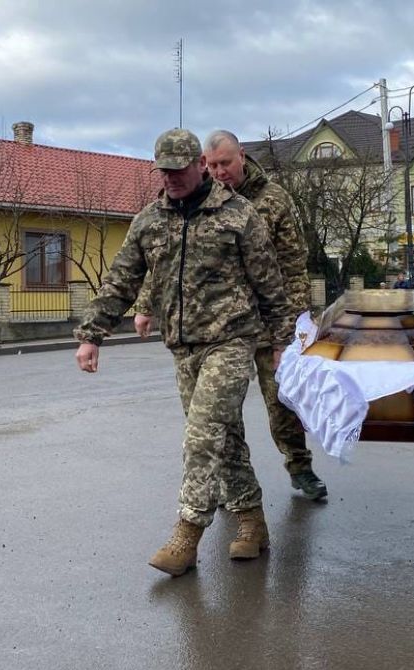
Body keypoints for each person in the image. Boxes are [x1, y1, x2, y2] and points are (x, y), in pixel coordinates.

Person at [74, 128, 292, 577]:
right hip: (182, 347)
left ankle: (187, 532)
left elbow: (270, 281)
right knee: (224, 438)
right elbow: (122, 279)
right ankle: (252, 521)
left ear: (198, 165)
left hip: (231, 342)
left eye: (178, 170)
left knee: (201, 434)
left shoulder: (238, 215)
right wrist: (93, 333)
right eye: (163, 171)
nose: (170, 178)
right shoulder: (149, 221)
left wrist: (283, 341)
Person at [153, 129, 325, 499]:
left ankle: (299, 465)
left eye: (225, 163)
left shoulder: (273, 201)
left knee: (281, 400)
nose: (219, 172)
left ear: (242, 157)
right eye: (212, 165)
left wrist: (295, 325)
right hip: (222, 327)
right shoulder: (199, 203)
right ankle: (231, 484)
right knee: (221, 412)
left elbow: (294, 265)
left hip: (267, 322)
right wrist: (145, 307)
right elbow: (166, 261)